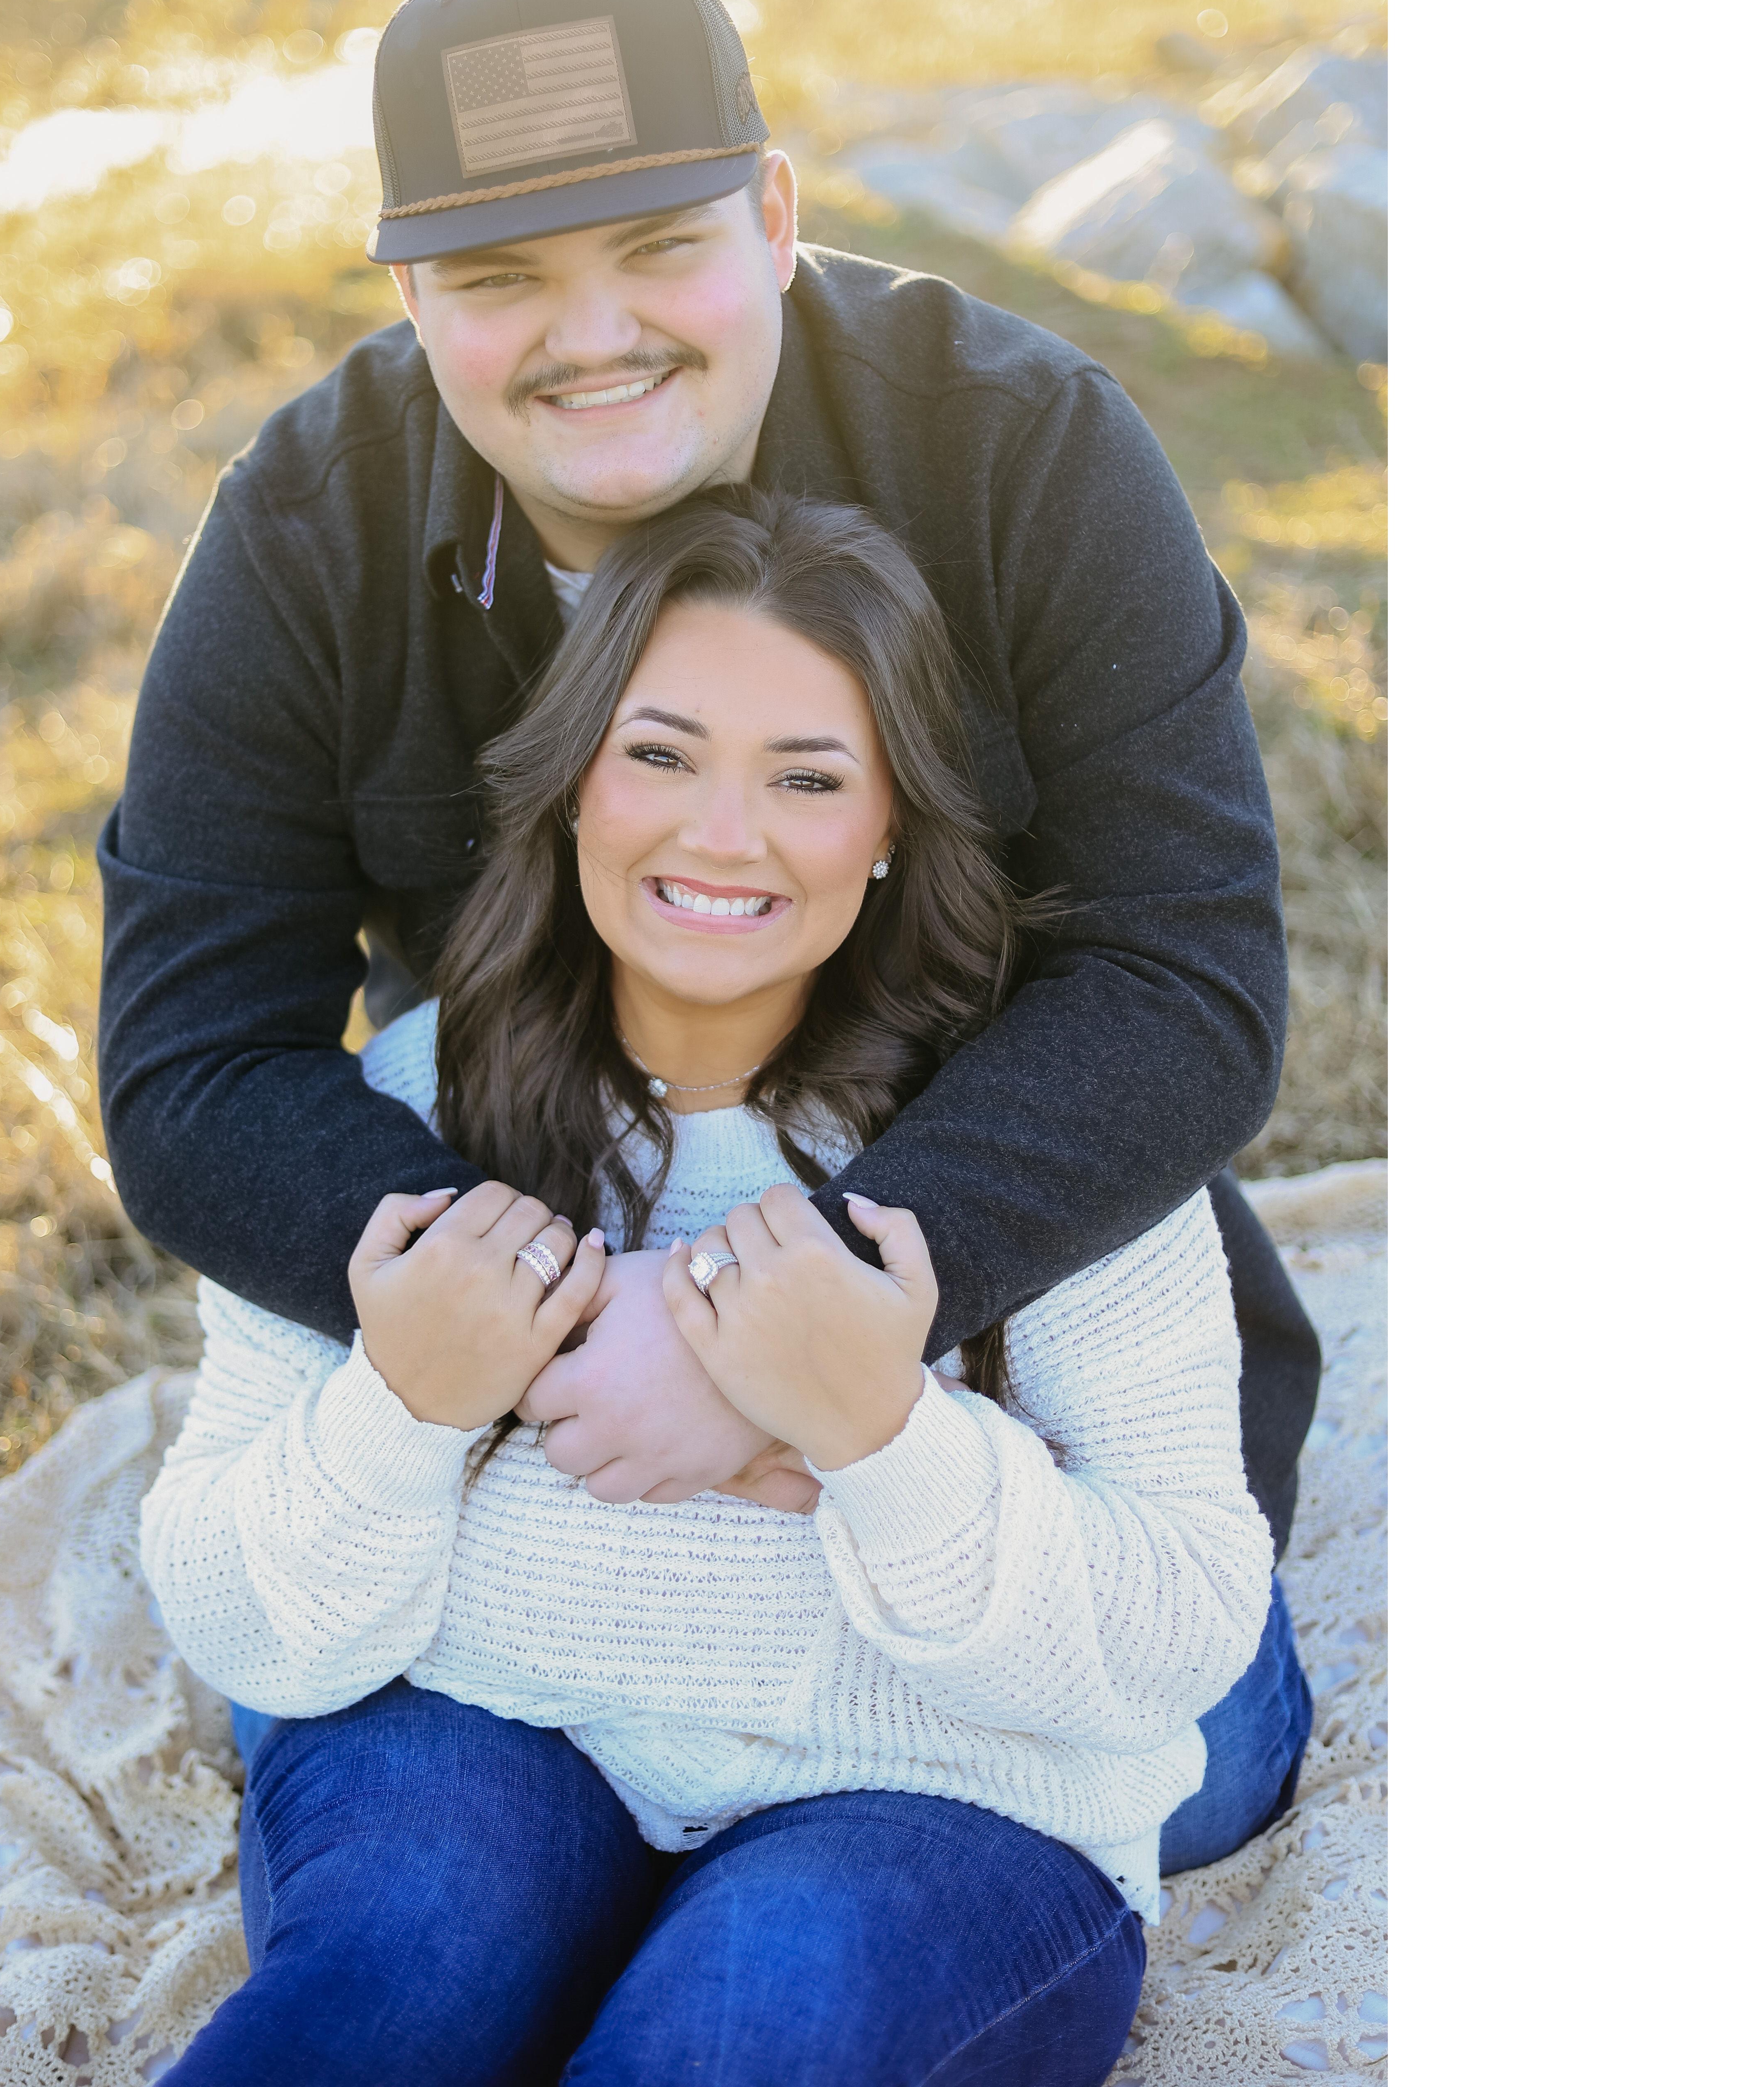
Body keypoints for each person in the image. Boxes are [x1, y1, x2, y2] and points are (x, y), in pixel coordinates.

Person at [99, 0, 1318, 1866]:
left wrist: (792, 1326)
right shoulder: (306, 528)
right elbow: (194, 1069)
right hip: (534, 1436)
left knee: (1196, 1774)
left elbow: (1185, 980)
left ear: (773, 212)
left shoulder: (1026, 451)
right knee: (428, 1885)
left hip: (989, 1379)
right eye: (501, 278)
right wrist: (568, 1327)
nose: (593, 337)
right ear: (411, 293)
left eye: (658, 246)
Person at [140, 489, 1279, 2084]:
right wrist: (407, 1409)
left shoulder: (1049, 1126)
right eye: (661, 756)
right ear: (572, 783)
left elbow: (1181, 1634)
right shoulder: (398, 1109)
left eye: (808, 779)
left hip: (930, 1801)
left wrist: (878, 1436)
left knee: (740, 2035)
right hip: (481, 1735)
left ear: (891, 828)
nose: (723, 835)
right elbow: (234, 1616)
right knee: (384, 1990)